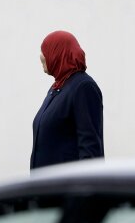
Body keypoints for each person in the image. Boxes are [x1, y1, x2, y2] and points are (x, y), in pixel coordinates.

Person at [30, 30, 104, 169]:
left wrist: (83, 189)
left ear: (58, 53)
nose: (41, 56)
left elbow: (90, 150)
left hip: (67, 188)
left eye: (46, 50)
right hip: (47, 188)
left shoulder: (83, 87)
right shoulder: (58, 87)